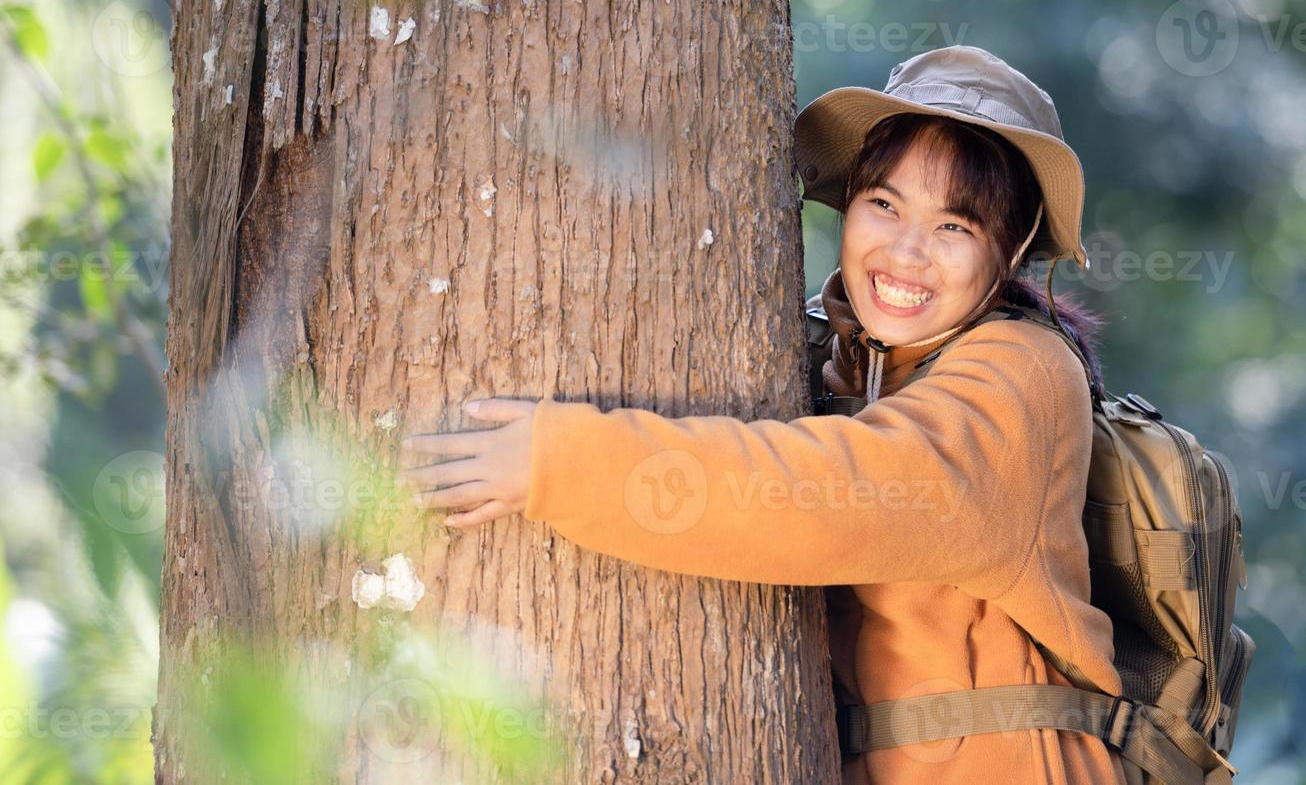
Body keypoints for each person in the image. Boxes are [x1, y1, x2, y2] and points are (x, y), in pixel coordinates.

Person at [398, 45, 1127, 783]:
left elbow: (836, 497)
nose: (905, 252)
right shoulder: (839, 353)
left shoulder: (1024, 374)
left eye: (953, 228)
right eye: (884, 204)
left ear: (1012, 247)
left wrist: (566, 465)